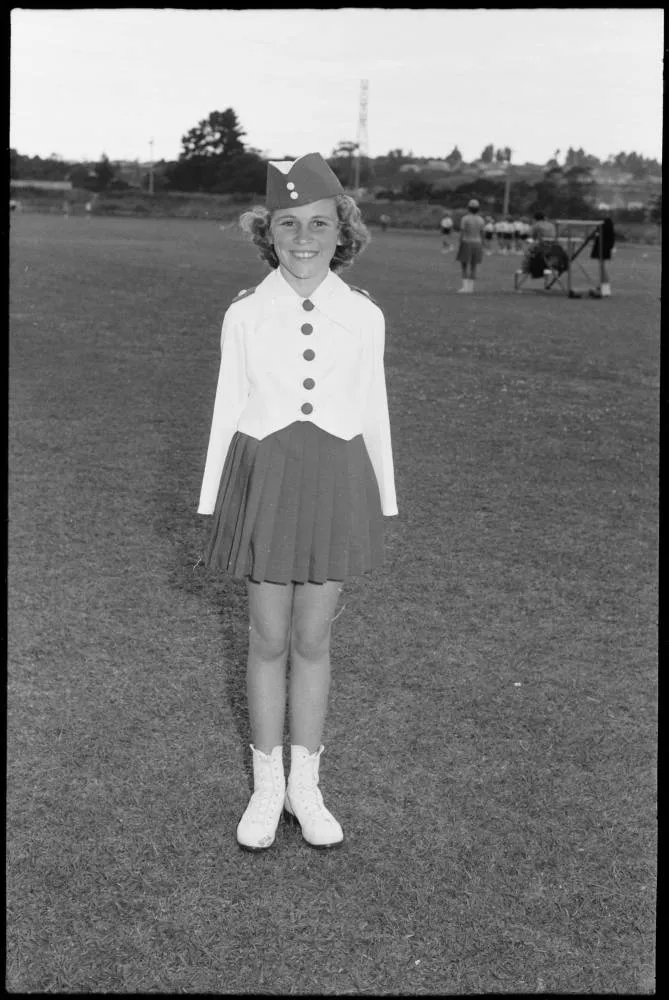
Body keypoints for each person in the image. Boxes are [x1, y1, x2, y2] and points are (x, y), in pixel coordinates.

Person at [197, 153, 398, 853]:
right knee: (267, 638)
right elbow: (229, 406)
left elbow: (372, 407)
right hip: (266, 472)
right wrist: (214, 497)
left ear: (342, 232)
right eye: (288, 224)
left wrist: (382, 495)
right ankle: (267, 786)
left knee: (315, 638)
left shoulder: (364, 316)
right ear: (269, 233)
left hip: (337, 474)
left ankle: (306, 786)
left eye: (318, 224)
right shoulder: (246, 314)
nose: (303, 238)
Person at [456, 199, 486, 292]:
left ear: (468, 208)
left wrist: (460, 243)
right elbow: (482, 233)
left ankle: (465, 288)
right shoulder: (481, 219)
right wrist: (483, 244)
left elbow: (462, 232)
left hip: (467, 242)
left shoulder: (465, 218)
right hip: (477, 243)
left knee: (464, 266)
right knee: (473, 266)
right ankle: (470, 288)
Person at [590, 216, 615, 296]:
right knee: (602, 268)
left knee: (602, 269)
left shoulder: (604, 230)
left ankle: (605, 289)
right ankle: (603, 287)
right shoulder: (609, 231)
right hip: (605, 251)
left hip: (602, 251)